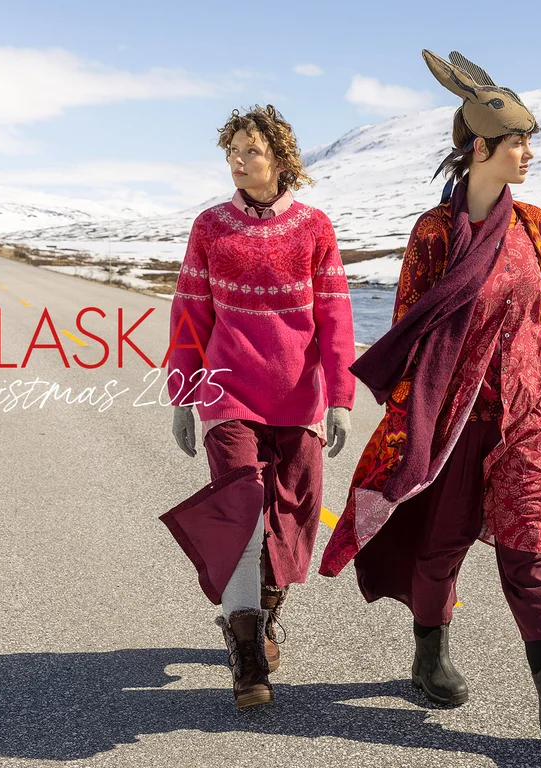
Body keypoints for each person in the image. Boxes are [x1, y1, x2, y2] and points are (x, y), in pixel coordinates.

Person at [319, 51, 541, 742]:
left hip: (527, 415)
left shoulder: (533, 224)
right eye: (517, 142)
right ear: (480, 147)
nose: (528, 154)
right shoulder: (435, 233)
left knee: (528, 546)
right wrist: (408, 424)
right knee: (443, 544)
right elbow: (410, 329)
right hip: (456, 417)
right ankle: (429, 657)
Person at [160, 105, 356, 709]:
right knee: (242, 510)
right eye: (232, 152)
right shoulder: (211, 226)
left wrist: (341, 398)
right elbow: (190, 311)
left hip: (298, 398)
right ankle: (247, 659)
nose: (239, 162)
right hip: (228, 394)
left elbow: (334, 317)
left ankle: (265, 613)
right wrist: (183, 394)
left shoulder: (314, 227)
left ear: (279, 157)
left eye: (250, 151)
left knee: (293, 517)